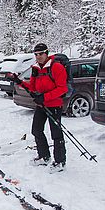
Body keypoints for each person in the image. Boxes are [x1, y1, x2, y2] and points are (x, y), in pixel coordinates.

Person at [9, 43, 68, 172]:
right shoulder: (36, 68)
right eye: (36, 54)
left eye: (41, 54)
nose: (38, 56)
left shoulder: (56, 67)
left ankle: (60, 161)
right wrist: (19, 81)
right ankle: (44, 156)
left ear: (46, 53)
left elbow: (63, 88)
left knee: (56, 134)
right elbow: (33, 87)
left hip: (54, 105)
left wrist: (45, 97)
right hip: (42, 105)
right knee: (36, 130)